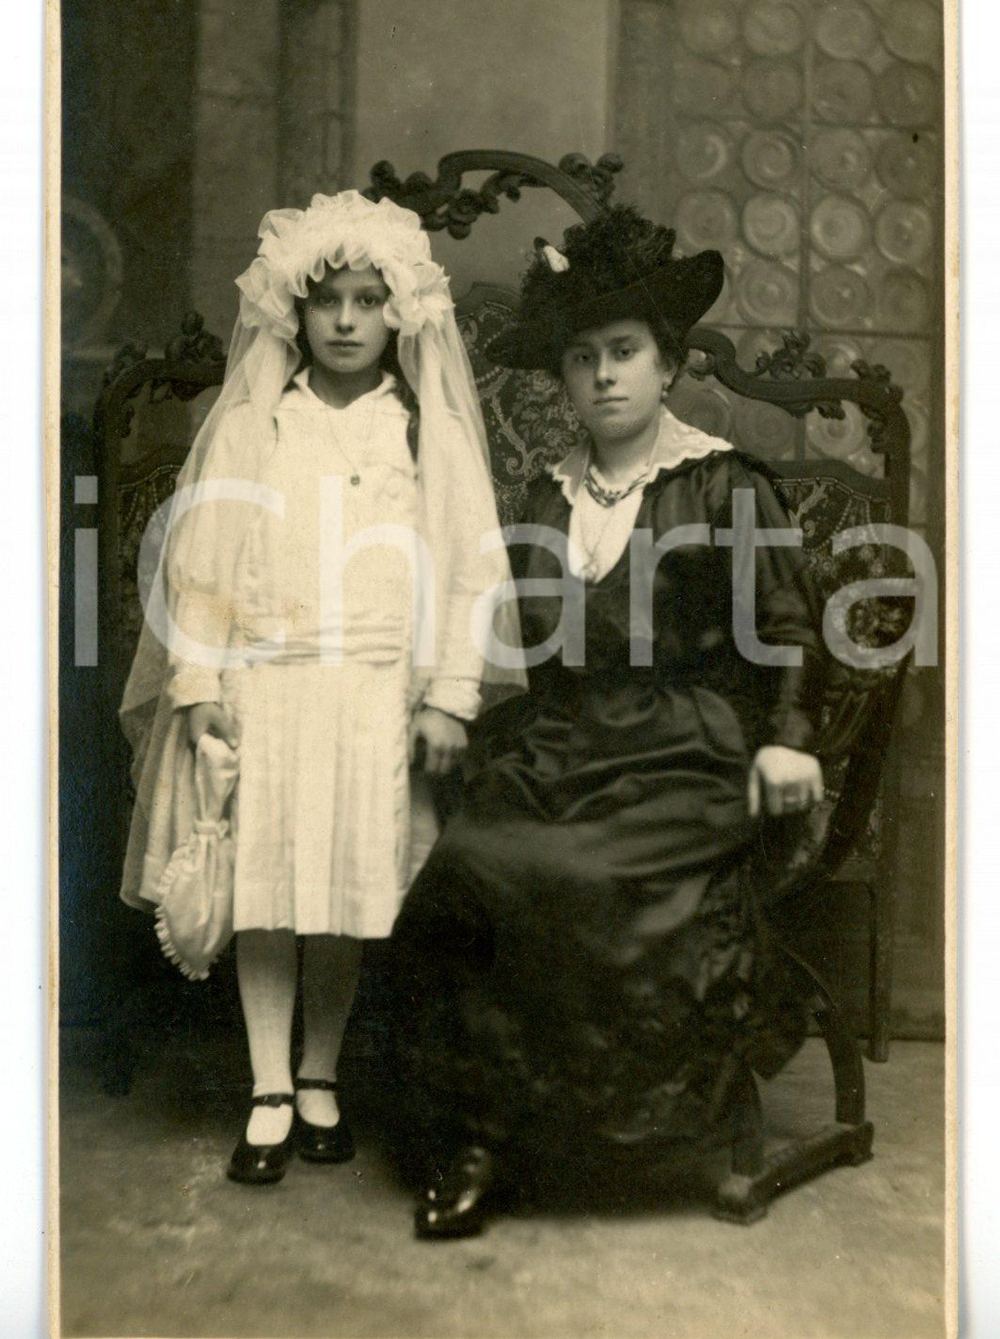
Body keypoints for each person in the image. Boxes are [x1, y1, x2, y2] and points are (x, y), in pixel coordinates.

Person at [390, 205, 827, 1238]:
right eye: (582, 357)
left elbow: (789, 628)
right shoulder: (544, 500)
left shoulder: (725, 484)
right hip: (561, 743)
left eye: (624, 352)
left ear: (667, 364)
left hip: (692, 750)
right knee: (473, 863)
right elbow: (508, 641)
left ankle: (648, 1126)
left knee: (578, 873)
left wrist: (786, 737)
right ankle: (480, 1136)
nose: (603, 375)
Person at [119, 191, 520, 1185]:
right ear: (292, 313)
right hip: (269, 685)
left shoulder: (421, 433)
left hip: (374, 693)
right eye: (326, 300)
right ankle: (263, 1085)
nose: (344, 320)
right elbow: (204, 567)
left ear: (400, 315)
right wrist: (201, 677)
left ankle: (318, 1073)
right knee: (266, 885)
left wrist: (446, 695)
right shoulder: (259, 425)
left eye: (366, 301)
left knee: (339, 889)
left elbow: (469, 568)